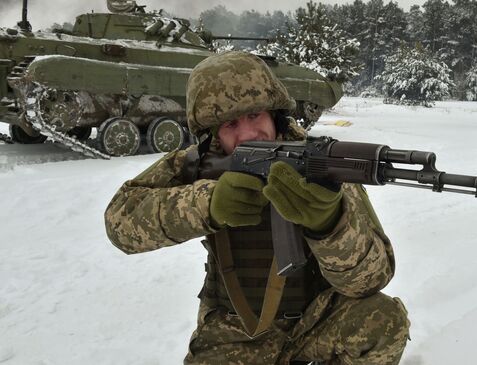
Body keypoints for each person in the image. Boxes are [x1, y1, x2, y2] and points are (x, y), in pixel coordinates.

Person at [105, 51, 409, 365]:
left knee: (384, 320)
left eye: (255, 116)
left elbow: (372, 280)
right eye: (230, 124)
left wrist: (329, 225)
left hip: (318, 322)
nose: (248, 134)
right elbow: (120, 224)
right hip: (235, 331)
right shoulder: (199, 164)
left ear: (275, 114)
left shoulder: (323, 165)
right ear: (212, 133)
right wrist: (206, 204)